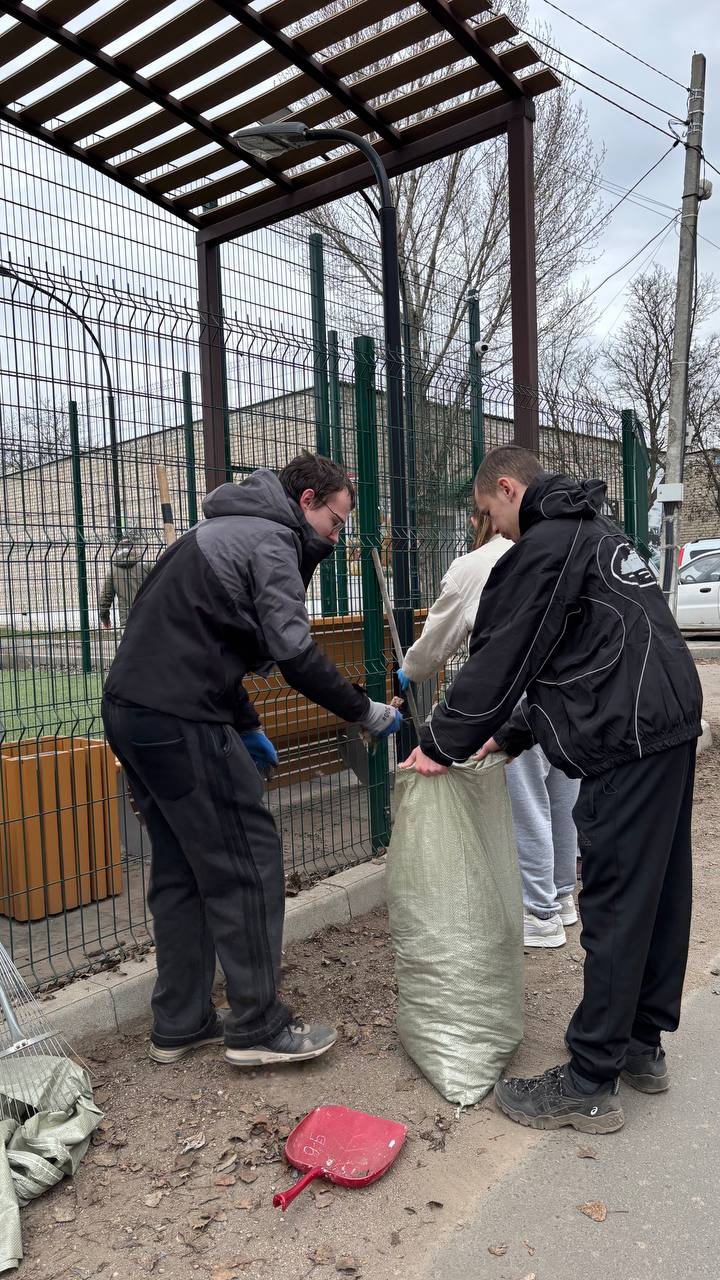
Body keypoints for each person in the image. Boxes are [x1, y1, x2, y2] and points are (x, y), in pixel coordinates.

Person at [401, 445, 702, 1134]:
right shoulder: (598, 532)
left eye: (489, 513)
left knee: (617, 901)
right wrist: (506, 737)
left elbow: (500, 657)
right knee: (657, 893)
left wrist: (441, 742)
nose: (494, 529)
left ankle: (590, 1080)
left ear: (509, 489)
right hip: (666, 722)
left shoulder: (546, 546)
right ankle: (640, 1046)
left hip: (628, 736)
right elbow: (578, 662)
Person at [102, 452, 401, 1069]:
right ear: (308, 500)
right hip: (182, 719)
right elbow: (294, 652)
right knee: (248, 859)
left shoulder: (219, 530)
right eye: (338, 522)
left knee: (184, 868)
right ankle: (259, 1027)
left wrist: (247, 725)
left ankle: (180, 1023)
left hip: (134, 713)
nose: (338, 537)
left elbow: (205, 640)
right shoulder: (270, 540)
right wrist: (363, 710)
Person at [398, 508, 579, 948]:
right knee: (561, 793)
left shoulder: (473, 565)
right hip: (566, 689)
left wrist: (410, 669)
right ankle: (562, 895)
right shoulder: (560, 548)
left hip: (507, 695)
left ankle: (540, 914)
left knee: (526, 803)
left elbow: (434, 645)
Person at [98, 532, 150, 631]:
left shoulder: (112, 571)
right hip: (148, 616)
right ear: (133, 549)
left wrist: (104, 618)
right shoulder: (147, 566)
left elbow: (105, 598)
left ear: (118, 550)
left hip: (127, 620)